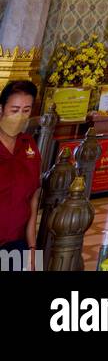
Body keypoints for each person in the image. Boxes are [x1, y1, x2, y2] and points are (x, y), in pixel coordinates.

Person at [0, 80, 41, 264]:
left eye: (26, 111)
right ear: (1, 109)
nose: (19, 116)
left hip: (17, 243)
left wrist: (33, 249)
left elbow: (33, 199)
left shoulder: (29, 145)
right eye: (14, 110)